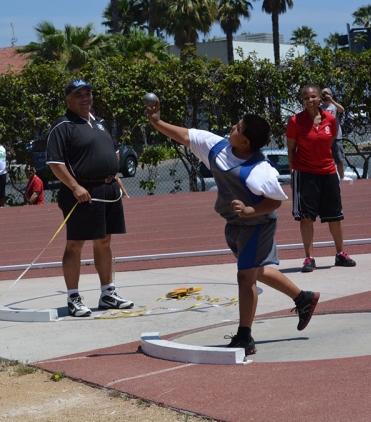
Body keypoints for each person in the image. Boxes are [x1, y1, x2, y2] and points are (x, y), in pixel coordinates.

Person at [145, 101, 320, 356]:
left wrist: (251, 210)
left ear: (245, 142)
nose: (232, 127)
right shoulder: (217, 147)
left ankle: (244, 337)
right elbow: (185, 136)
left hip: (258, 224)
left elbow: (276, 200)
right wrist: (157, 122)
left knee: (245, 276)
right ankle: (303, 298)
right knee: (256, 270)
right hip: (235, 223)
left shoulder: (261, 171)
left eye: (237, 127)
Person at [46, 78, 134, 317]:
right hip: (82, 193)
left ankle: (107, 293)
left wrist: (114, 174)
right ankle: (73, 297)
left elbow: (112, 152)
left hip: (108, 190)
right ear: (68, 99)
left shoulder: (100, 122)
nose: (85, 98)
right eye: (79, 95)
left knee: (104, 241)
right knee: (75, 244)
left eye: (88, 94)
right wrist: (75, 187)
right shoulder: (62, 126)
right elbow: (55, 163)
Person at [286, 84, 357, 273]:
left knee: (335, 216)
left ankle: (340, 254)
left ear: (320, 98)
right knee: (306, 218)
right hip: (304, 173)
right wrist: (293, 174)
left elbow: (330, 142)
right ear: (302, 100)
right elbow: (291, 150)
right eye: (306, 98)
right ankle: (309, 258)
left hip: (328, 172)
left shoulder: (330, 119)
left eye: (313, 97)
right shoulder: (295, 121)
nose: (310, 100)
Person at [320, 87, 349, 180]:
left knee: (339, 159)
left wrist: (332, 101)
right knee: (325, 159)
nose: (325, 97)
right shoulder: (320, 108)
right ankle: (328, 178)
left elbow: (342, 110)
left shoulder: (334, 107)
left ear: (331, 95)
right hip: (324, 137)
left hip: (336, 137)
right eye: (323, 95)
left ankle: (342, 178)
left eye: (327, 94)